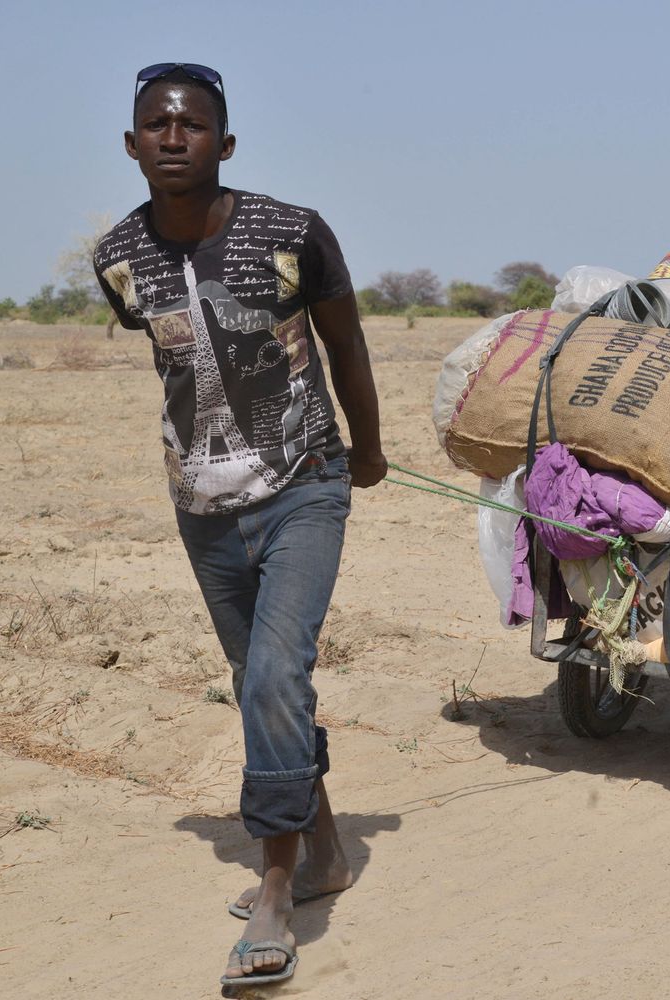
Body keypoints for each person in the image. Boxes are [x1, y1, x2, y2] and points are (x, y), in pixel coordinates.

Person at [93, 63, 386, 989]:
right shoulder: (118, 258)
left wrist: (368, 449)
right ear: (132, 144)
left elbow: (345, 342)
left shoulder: (292, 233)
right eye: (156, 124)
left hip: (304, 481)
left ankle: (275, 893)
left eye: (192, 125)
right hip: (203, 505)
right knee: (259, 682)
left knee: (272, 674)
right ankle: (326, 852)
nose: (173, 137)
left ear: (225, 144)